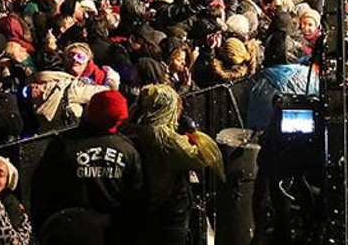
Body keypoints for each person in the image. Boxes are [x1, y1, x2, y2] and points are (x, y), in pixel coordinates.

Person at [32, 90, 143, 242]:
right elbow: (135, 199)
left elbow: (41, 189)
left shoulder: (63, 145)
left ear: (90, 110)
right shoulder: (128, 150)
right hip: (111, 233)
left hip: (69, 231)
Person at [123, 85, 224, 245]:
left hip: (134, 211)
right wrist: (193, 133)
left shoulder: (128, 128)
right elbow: (203, 156)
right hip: (165, 214)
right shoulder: (164, 137)